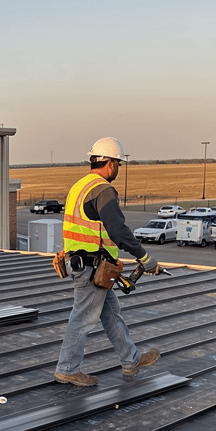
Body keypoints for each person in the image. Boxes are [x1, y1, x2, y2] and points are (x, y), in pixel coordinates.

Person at [54, 137, 161, 387]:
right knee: (82, 318)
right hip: (92, 267)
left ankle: (130, 360)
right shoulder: (103, 189)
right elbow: (118, 230)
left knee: (111, 313)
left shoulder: (80, 186)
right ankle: (67, 368)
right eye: (119, 164)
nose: (118, 169)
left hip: (86, 264)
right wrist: (144, 258)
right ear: (111, 164)